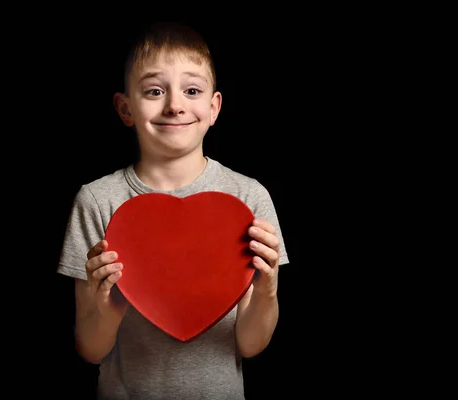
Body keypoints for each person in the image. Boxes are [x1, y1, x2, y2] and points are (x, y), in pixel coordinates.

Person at [56, 21, 289, 399]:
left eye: (192, 90)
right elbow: (89, 348)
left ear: (214, 108)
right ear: (125, 107)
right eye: (154, 91)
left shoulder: (249, 197)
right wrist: (109, 310)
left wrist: (267, 291)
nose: (175, 105)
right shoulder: (97, 200)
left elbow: (251, 345)